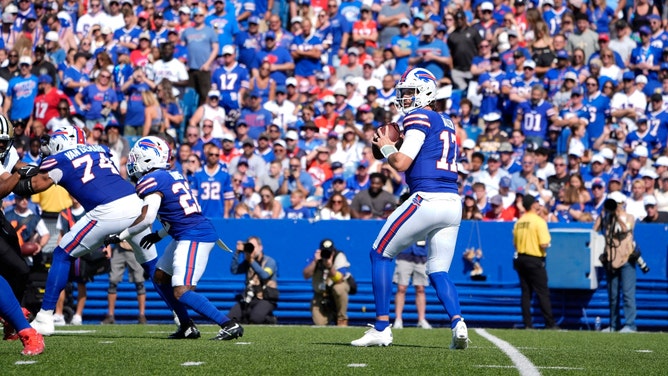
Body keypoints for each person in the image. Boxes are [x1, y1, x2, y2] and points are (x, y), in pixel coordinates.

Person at [351, 68, 468, 349]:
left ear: (425, 92)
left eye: (408, 92)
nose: (403, 98)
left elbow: (401, 163)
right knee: (438, 270)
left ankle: (381, 326)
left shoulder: (419, 115)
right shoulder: (446, 121)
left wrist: (389, 147)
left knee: (380, 253)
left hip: (426, 198)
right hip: (453, 202)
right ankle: (458, 323)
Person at [20, 125, 164, 336]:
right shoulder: (100, 150)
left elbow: (37, 185)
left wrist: (12, 180)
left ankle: (44, 317)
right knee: (152, 266)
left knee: (62, 253)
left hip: (108, 210)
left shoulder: (61, 158)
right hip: (135, 204)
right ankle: (182, 317)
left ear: (62, 141)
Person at [104, 136, 243, 341]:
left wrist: (120, 235)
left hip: (195, 236)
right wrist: (158, 235)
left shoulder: (151, 180)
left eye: (138, 157)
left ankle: (228, 324)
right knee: (160, 277)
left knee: (181, 290)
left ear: (148, 159)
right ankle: (187, 326)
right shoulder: (171, 175)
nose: (134, 161)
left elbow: (147, 218)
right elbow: (176, 215)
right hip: (185, 233)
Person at [512, 194, 558, 329]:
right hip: (534, 259)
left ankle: (528, 324)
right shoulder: (539, 221)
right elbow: (544, 243)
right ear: (533, 205)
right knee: (542, 292)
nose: (538, 204)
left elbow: (515, 244)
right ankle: (550, 323)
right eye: (536, 202)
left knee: (526, 293)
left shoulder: (519, 222)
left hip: (520, 258)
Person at [594, 193, 637, 332]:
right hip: (611, 260)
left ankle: (630, 324)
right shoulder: (606, 218)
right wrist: (603, 214)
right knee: (612, 295)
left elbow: (626, 230)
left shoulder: (629, 217)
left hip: (626, 259)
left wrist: (618, 215)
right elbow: (594, 230)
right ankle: (614, 324)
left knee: (627, 294)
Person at [303, 239, 354, 326]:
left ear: (333, 251)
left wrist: (330, 266)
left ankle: (342, 320)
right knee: (319, 324)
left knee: (339, 288)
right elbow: (306, 275)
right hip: (321, 295)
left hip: (335, 291)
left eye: (329, 252)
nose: (326, 254)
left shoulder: (339, 256)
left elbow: (340, 279)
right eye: (324, 252)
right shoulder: (316, 258)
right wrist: (315, 261)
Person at [229, 236, 279, 325]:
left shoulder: (270, 261)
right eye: (249, 247)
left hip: (265, 298)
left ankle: (271, 319)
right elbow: (234, 270)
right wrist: (237, 253)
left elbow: (264, 275)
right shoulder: (248, 262)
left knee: (255, 319)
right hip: (249, 297)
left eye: (254, 247)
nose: (252, 250)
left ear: (260, 247)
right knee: (231, 318)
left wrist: (251, 261)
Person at [100, 240, 147, 325]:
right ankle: (110, 315)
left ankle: (142, 315)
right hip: (119, 247)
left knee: (140, 283)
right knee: (112, 282)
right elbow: (110, 229)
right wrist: (108, 245)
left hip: (135, 248)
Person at [393, 240, 432, 329]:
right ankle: (398, 319)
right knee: (401, 288)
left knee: (420, 289)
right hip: (404, 254)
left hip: (421, 255)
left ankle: (421, 320)